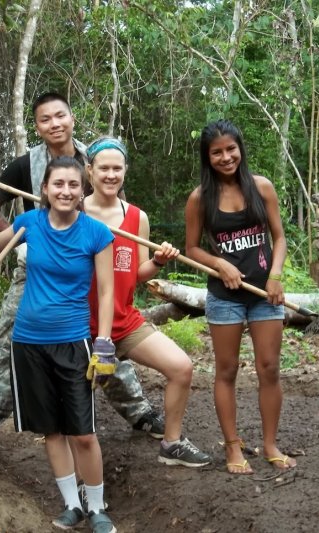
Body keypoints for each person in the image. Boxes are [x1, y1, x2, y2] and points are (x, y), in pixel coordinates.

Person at [0, 92, 163, 451]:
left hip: (87, 266)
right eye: (45, 119)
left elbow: (115, 207)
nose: (54, 124)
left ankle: (140, 412)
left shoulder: (95, 157)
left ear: (71, 118)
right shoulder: (26, 165)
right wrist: (21, 239)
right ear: (37, 126)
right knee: (10, 344)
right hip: (36, 271)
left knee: (98, 340)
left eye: (60, 116)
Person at [0, 156, 117, 532]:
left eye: (72, 185)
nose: (66, 191)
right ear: (46, 190)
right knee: (51, 430)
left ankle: (97, 507)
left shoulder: (97, 233)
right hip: (28, 343)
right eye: (58, 185)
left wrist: (103, 343)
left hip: (73, 343)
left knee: (82, 432)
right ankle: (73, 504)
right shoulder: (29, 223)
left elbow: (105, 291)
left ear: (83, 189)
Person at [84, 137, 211, 467]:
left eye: (117, 168)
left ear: (125, 170)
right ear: (89, 171)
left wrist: (157, 260)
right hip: (81, 327)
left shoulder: (136, 217)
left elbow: (137, 272)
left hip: (125, 322)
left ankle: (172, 444)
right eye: (103, 168)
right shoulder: (75, 212)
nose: (111, 175)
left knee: (182, 368)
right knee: (75, 400)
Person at [184, 119, 295, 475]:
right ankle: (233, 446)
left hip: (264, 294)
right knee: (227, 370)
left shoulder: (262, 187)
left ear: (240, 148)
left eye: (231, 149)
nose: (226, 157)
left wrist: (276, 277)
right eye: (217, 152)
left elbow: (279, 238)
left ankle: (270, 443)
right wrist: (218, 263)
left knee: (270, 368)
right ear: (207, 157)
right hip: (225, 296)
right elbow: (192, 249)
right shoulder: (200, 198)